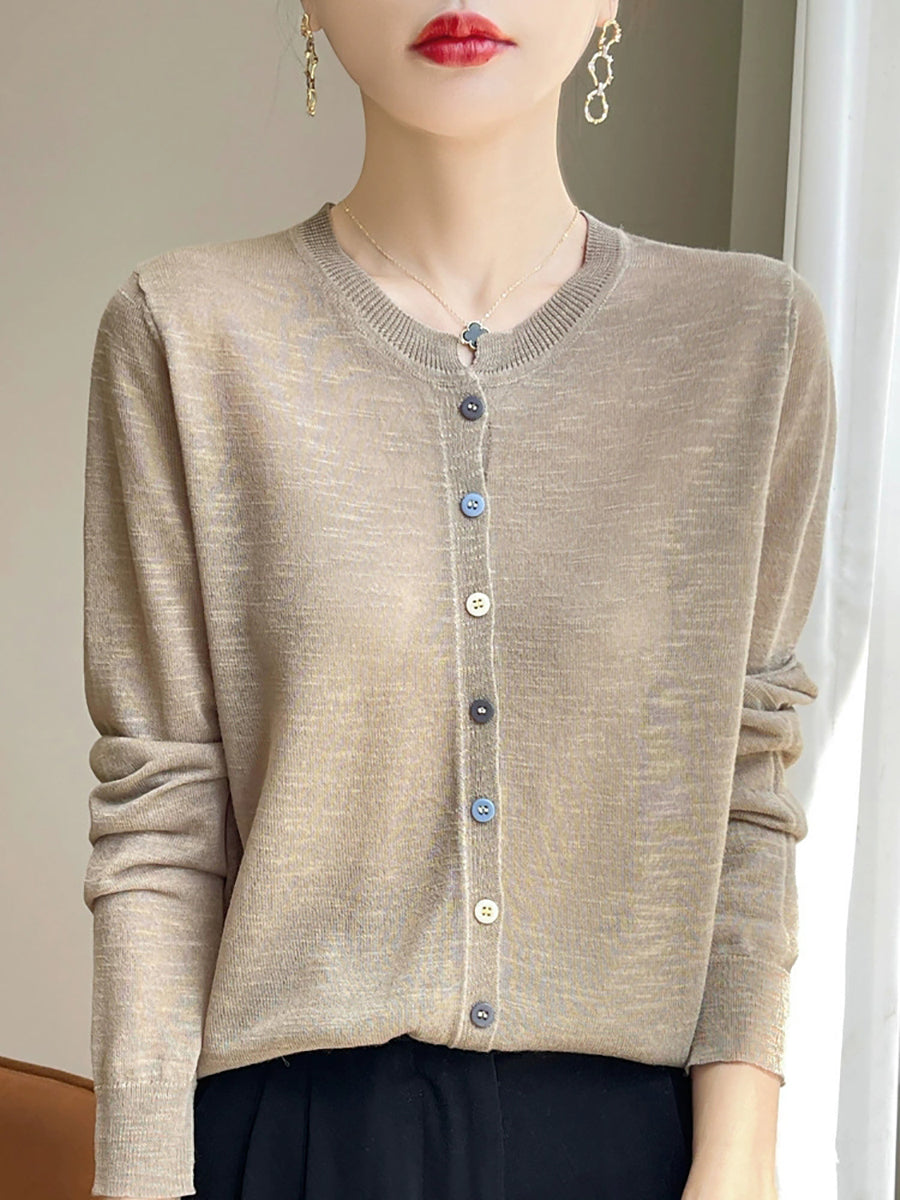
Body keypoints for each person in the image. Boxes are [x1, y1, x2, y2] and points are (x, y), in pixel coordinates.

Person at [81, 2, 837, 1199]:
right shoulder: (188, 334)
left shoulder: (752, 342)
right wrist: (139, 1182)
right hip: (294, 1145)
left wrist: (740, 1157)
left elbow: (745, 784)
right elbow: (160, 816)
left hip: (639, 1147)